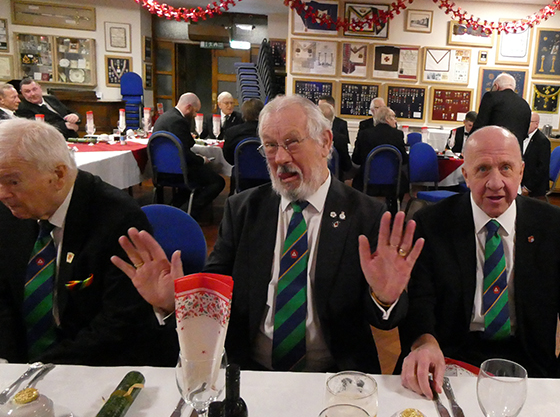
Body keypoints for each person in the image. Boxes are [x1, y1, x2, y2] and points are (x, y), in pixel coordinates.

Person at [112, 94, 424, 373]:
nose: (280, 159)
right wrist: (174, 305)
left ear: (325, 142)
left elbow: (384, 320)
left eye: (292, 142)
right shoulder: (243, 210)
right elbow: (216, 291)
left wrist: (385, 298)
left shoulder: (365, 215)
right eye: (270, 146)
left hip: (334, 374)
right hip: (251, 371)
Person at [398, 126, 560, 398]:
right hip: (451, 355)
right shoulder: (432, 224)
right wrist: (425, 341)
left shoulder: (556, 227)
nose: (495, 183)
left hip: (529, 361)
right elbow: (421, 299)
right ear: (465, 175)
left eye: (506, 168)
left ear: (521, 172)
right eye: (482, 169)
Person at [0, 118, 159, 365]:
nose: (3, 193)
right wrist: (10, 362)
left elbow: (119, 323)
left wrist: (40, 366)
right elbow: (4, 297)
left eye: (13, 181)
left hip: (87, 364)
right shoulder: (11, 213)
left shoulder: (117, 218)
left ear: (58, 175)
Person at [152, 92, 226, 220]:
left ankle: (177, 206)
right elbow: (185, 152)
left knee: (197, 179)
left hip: (161, 171)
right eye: (195, 111)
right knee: (217, 182)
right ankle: (187, 213)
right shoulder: (178, 121)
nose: (195, 115)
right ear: (188, 107)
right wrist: (202, 160)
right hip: (179, 170)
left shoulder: (164, 117)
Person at [352, 106, 409, 213]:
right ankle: (395, 214)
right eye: (394, 117)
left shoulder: (364, 134)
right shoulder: (397, 135)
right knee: (403, 178)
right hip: (393, 183)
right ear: (387, 118)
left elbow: (356, 160)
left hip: (367, 181)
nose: (395, 121)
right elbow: (404, 160)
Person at [474, 73, 532, 148]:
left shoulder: (491, 96)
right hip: (515, 150)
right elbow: (524, 133)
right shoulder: (525, 104)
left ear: (496, 86)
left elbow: (480, 126)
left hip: (492, 148)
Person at [222, 98, 264, 165]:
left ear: (244, 114)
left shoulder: (231, 132)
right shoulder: (270, 132)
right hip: (266, 170)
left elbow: (228, 157)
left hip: (239, 170)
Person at [318, 100, 352, 181]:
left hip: (313, 179)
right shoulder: (341, 140)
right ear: (333, 119)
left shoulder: (308, 138)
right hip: (336, 181)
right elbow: (347, 166)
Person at [521, 113, 551, 198]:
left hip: (534, 185)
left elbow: (542, 168)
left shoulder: (542, 141)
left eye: (529, 122)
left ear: (536, 124)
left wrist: (527, 187)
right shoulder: (522, 136)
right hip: (522, 179)